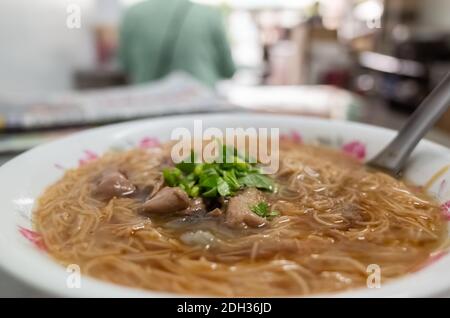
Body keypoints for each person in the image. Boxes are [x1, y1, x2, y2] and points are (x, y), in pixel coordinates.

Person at [119, 0, 236, 87]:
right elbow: (228, 70)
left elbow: (125, 66)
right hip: (201, 107)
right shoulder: (209, 15)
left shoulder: (132, 14)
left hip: (149, 107)